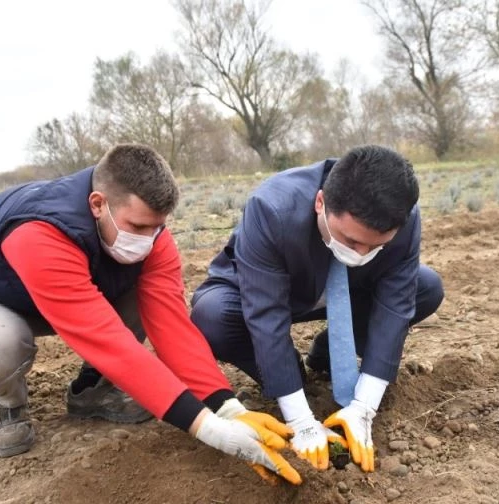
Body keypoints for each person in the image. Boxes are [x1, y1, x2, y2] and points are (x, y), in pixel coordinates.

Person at [0, 144, 301, 485]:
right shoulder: (40, 230)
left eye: (158, 227)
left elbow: (172, 326)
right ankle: (8, 400)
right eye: (138, 226)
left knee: (141, 292)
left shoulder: (151, 236)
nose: (149, 238)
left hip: (60, 294)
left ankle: (94, 389)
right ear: (98, 204)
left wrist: (226, 406)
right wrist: (207, 428)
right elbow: (106, 340)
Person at [190, 145, 444, 473]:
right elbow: (265, 314)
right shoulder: (272, 207)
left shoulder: (403, 216)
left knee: (426, 287)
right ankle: (289, 374)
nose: (361, 253)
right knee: (211, 316)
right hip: (268, 291)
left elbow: (396, 305)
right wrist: (299, 418)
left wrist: (364, 407)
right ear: (320, 202)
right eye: (351, 241)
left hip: (348, 292)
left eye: (375, 246)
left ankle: (328, 352)